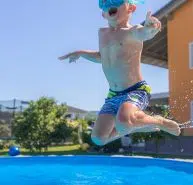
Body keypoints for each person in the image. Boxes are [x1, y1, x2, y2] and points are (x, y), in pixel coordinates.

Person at [59, 0, 181, 146]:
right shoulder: (102, 33)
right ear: (103, 14)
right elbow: (103, 57)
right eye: (105, 4)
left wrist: (151, 26)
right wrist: (80, 53)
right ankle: (132, 126)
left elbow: (146, 33)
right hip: (113, 95)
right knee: (98, 138)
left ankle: (159, 121)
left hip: (135, 90)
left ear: (131, 8)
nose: (110, 4)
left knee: (124, 121)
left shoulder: (133, 31)